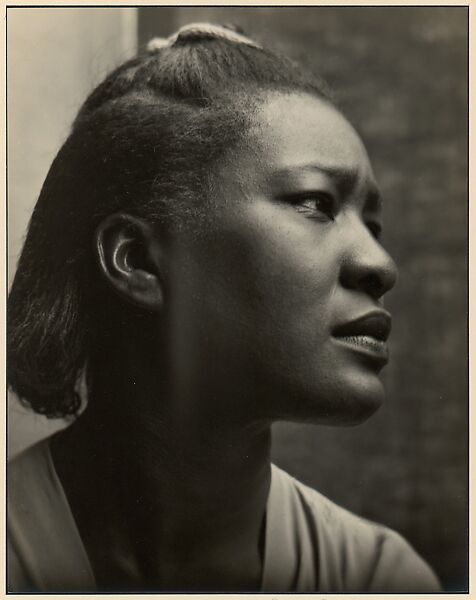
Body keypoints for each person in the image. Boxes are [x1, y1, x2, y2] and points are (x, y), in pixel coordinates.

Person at [7, 23, 441, 593]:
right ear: (137, 260)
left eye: (373, 223)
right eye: (315, 203)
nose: (380, 264)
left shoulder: (379, 579)